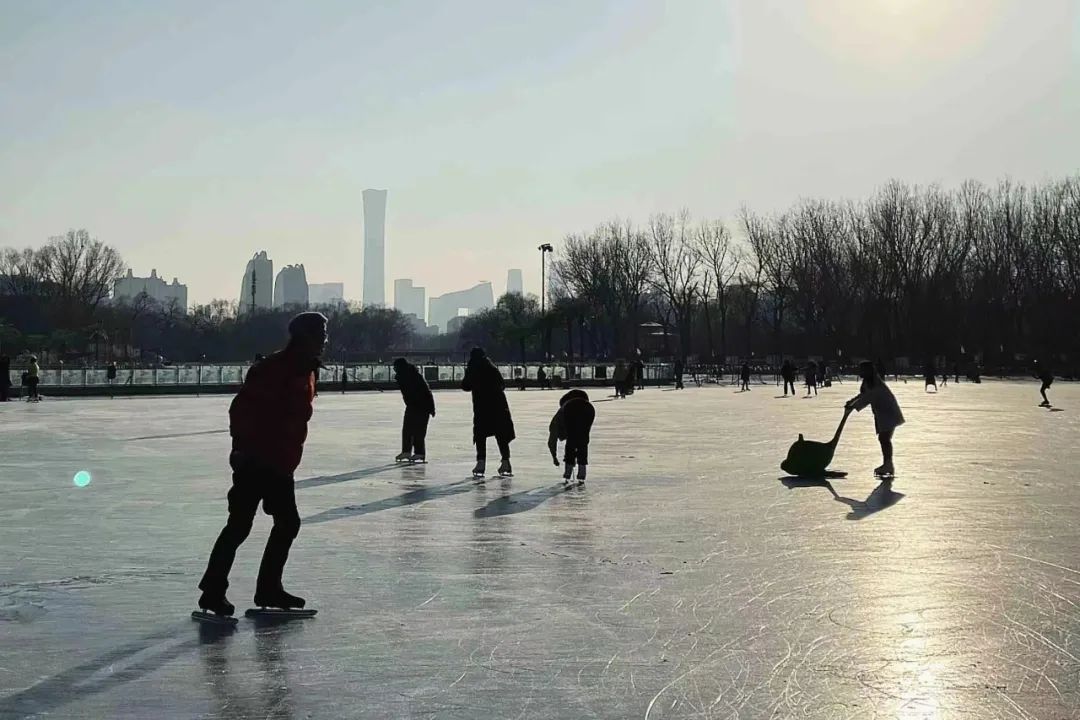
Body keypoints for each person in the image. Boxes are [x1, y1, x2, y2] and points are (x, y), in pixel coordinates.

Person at [197, 312, 328, 617]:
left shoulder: (305, 370)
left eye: (324, 334)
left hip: (281, 460)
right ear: (303, 336)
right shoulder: (274, 368)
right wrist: (242, 448)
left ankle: (257, 587)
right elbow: (243, 410)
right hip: (257, 459)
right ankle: (220, 589)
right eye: (319, 334)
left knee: (278, 524)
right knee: (245, 525)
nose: (324, 340)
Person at [461, 347, 515, 476]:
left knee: (480, 435)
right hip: (498, 406)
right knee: (501, 434)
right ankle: (506, 461)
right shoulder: (492, 367)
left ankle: (481, 463)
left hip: (482, 406)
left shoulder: (473, 367)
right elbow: (502, 384)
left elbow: (465, 386)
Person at [846, 361, 905, 477]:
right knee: (883, 439)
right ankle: (888, 464)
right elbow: (863, 395)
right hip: (882, 413)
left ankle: (888, 464)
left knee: (884, 438)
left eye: (863, 370)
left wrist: (854, 406)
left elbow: (869, 397)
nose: (861, 372)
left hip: (888, 412)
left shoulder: (875, 383)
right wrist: (852, 401)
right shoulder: (868, 382)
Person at [547, 389, 596, 485]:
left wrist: (554, 457)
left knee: (571, 443)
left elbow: (552, 440)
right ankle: (582, 473)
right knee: (582, 441)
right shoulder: (581, 404)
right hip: (589, 409)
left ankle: (568, 473)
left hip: (579, 409)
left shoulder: (559, 416)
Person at [393, 358, 435, 462]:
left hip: (422, 406)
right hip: (413, 405)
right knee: (407, 429)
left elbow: (426, 391)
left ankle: (419, 453)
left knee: (418, 430)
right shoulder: (404, 376)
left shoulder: (412, 376)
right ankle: (407, 451)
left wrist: (431, 408)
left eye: (395, 367)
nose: (394, 369)